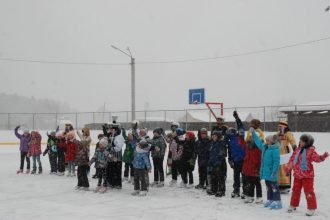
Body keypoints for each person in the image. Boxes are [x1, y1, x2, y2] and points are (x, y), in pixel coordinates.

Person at [286, 134, 329, 216]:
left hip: (307, 176)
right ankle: (293, 204)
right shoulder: (297, 150)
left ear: (308, 143)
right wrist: (288, 169)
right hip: (297, 175)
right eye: (300, 141)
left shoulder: (311, 151)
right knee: (295, 191)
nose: (300, 142)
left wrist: (322, 157)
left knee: (308, 192)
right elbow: (292, 160)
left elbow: (317, 159)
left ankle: (311, 207)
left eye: (302, 141)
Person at [251, 128, 282, 210]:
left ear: (272, 141)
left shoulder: (275, 150)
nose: (266, 142)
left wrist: (274, 171)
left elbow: (276, 162)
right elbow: (259, 143)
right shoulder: (265, 148)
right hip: (266, 172)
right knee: (268, 187)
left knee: (274, 187)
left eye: (267, 140)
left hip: (272, 172)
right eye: (266, 140)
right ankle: (270, 199)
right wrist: (254, 135)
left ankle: (278, 201)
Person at [234, 112, 262, 202]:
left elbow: (259, 142)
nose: (251, 125)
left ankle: (259, 197)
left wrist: (258, 166)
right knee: (249, 182)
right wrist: (241, 137)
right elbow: (243, 143)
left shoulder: (258, 138)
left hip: (255, 167)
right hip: (248, 166)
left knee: (257, 183)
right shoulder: (248, 145)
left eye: (252, 124)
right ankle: (250, 196)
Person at [277, 121, 297, 194]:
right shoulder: (278, 134)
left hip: (285, 151)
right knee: (279, 168)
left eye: (280, 127)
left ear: (284, 127)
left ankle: (285, 186)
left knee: (285, 168)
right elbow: (275, 140)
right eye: (278, 127)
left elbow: (292, 141)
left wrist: (295, 148)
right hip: (278, 151)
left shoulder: (288, 133)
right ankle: (279, 184)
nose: (279, 128)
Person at [207, 130, 228, 197]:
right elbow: (210, 154)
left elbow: (223, 154)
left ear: (218, 136)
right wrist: (210, 162)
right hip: (213, 163)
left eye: (215, 136)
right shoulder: (212, 143)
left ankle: (221, 190)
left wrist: (218, 162)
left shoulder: (221, 143)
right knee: (214, 177)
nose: (213, 137)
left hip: (220, 164)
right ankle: (214, 189)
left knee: (221, 177)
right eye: (212, 136)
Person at [226, 126, 245, 198]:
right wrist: (230, 159)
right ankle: (236, 190)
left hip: (242, 161)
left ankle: (245, 191)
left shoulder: (240, 138)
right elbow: (230, 152)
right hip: (235, 161)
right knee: (236, 176)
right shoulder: (230, 142)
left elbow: (241, 128)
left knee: (244, 177)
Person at [106, 121, 125, 189]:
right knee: (110, 169)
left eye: (112, 129)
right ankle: (110, 182)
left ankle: (117, 184)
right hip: (110, 157)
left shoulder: (119, 137)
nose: (110, 130)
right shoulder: (110, 136)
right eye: (110, 129)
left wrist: (111, 148)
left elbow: (118, 147)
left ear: (116, 130)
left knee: (116, 170)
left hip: (116, 157)